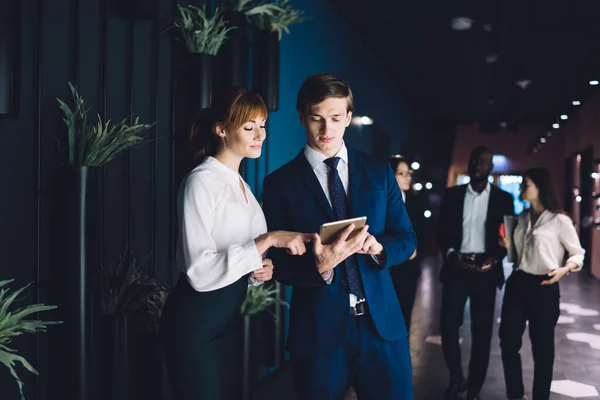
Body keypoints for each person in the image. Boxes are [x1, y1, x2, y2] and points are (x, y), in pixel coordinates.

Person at [263, 73, 417, 399]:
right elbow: (278, 264)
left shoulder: (379, 170)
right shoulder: (280, 183)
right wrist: (321, 266)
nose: (326, 130)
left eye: (335, 118)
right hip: (318, 334)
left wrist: (378, 248)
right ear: (302, 117)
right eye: (317, 118)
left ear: (348, 117)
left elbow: (406, 237)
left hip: (382, 328)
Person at [160, 87, 310, 400]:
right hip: (194, 322)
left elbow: (238, 256)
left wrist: (258, 271)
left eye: (263, 125)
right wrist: (267, 240)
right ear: (221, 129)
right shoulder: (200, 181)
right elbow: (199, 270)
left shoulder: (241, 184)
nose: (260, 135)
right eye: (249, 127)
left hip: (227, 320)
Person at [499, 168, 585, 400]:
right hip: (518, 283)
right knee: (507, 341)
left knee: (542, 351)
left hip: (545, 285)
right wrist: (506, 244)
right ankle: (516, 395)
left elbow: (577, 253)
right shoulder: (523, 217)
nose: (521, 188)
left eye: (525, 184)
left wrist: (565, 269)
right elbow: (517, 254)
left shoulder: (560, 220)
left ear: (540, 187)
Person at [436, 146, 514, 400]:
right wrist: (450, 254)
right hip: (456, 267)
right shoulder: (452, 195)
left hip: (486, 271)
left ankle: (475, 389)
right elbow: (441, 231)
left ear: (491, 168)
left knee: (482, 333)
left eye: (483, 162)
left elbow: (509, 240)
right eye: (474, 161)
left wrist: (495, 259)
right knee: (448, 327)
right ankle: (456, 379)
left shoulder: (504, 199)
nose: (477, 165)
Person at [389, 155, 421, 335]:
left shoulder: (415, 202)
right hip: (388, 266)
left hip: (409, 267)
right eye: (401, 173)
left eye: (408, 173)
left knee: (405, 315)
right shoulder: (381, 202)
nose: (407, 177)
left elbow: (421, 232)